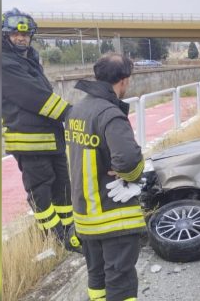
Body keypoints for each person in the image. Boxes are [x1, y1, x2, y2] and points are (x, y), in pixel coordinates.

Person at [66, 54, 147, 301]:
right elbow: (129, 160)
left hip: (85, 217)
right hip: (113, 217)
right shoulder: (110, 114)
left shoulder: (77, 110)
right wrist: (132, 177)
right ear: (123, 81)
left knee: (97, 279)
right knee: (120, 283)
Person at [1, 8, 79, 252]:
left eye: (25, 34)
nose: (21, 38)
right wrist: (71, 113)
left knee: (63, 186)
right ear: (4, 35)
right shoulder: (3, 63)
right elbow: (36, 97)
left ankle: (69, 231)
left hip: (51, 137)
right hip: (29, 140)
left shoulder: (28, 59)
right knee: (41, 192)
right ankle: (53, 236)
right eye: (15, 34)